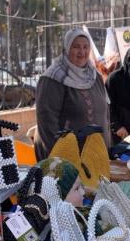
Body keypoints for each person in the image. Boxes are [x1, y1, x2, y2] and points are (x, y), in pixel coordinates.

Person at [34, 28, 111, 160]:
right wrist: (61, 156)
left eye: (86, 47)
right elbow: (47, 122)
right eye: (76, 47)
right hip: (66, 157)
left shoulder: (94, 75)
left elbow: (106, 113)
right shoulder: (53, 78)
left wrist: (108, 147)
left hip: (95, 154)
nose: (82, 52)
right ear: (67, 48)